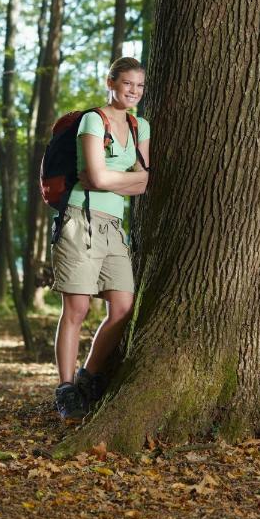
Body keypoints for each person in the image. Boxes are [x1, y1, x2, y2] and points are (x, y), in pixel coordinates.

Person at [51, 57, 150, 420]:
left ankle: (88, 376)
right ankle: (65, 390)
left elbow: (143, 181)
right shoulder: (95, 119)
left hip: (114, 226)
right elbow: (95, 177)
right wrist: (122, 178)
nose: (133, 91)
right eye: (127, 84)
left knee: (123, 308)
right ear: (111, 82)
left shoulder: (141, 127)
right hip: (80, 218)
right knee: (76, 310)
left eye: (139, 86)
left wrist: (110, 178)